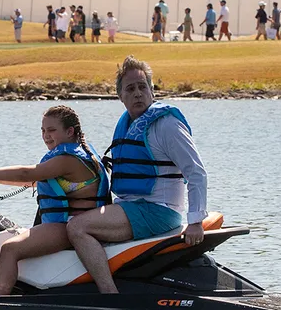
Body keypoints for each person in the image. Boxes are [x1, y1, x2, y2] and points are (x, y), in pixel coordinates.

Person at [65, 56, 208, 294]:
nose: (138, 93)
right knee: (70, 219)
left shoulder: (167, 125)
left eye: (143, 87)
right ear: (120, 96)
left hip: (157, 211)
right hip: (132, 207)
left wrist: (195, 222)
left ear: (152, 91)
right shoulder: (129, 123)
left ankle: (109, 296)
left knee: (78, 228)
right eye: (130, 89)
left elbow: (196, 173)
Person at [0, 105, 110, 296]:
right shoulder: (79, 153)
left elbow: (28, 173)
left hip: (67, 226)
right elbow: (34, 180)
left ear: (69, 131)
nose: (46, 135)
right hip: (70, 224)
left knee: (9, 249)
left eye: (51, 130)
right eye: (43, 130)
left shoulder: (68, 159)